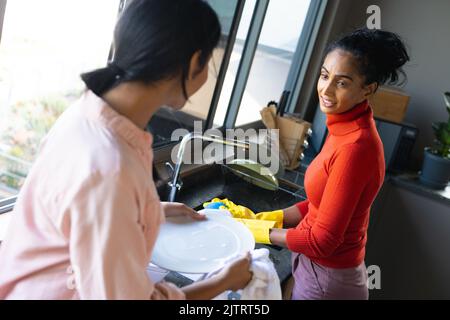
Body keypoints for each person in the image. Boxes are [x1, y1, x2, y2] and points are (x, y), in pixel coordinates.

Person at [0, 0, 252, 299]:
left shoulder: (86, 114)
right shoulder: (110, 168)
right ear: (195, 61)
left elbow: (79, 214)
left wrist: (150, 211)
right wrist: (223, 282)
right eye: (209, 63)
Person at [252, 28, 409, 299]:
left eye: (342, 82)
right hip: (319, 271)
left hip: (326, 279)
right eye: (325, 75)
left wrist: (260, 231)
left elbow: (322, 241)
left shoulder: (355, 147)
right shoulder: (344, 126)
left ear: (367, 90)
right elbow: (319, 205)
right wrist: (273, 217)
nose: (326, 89)